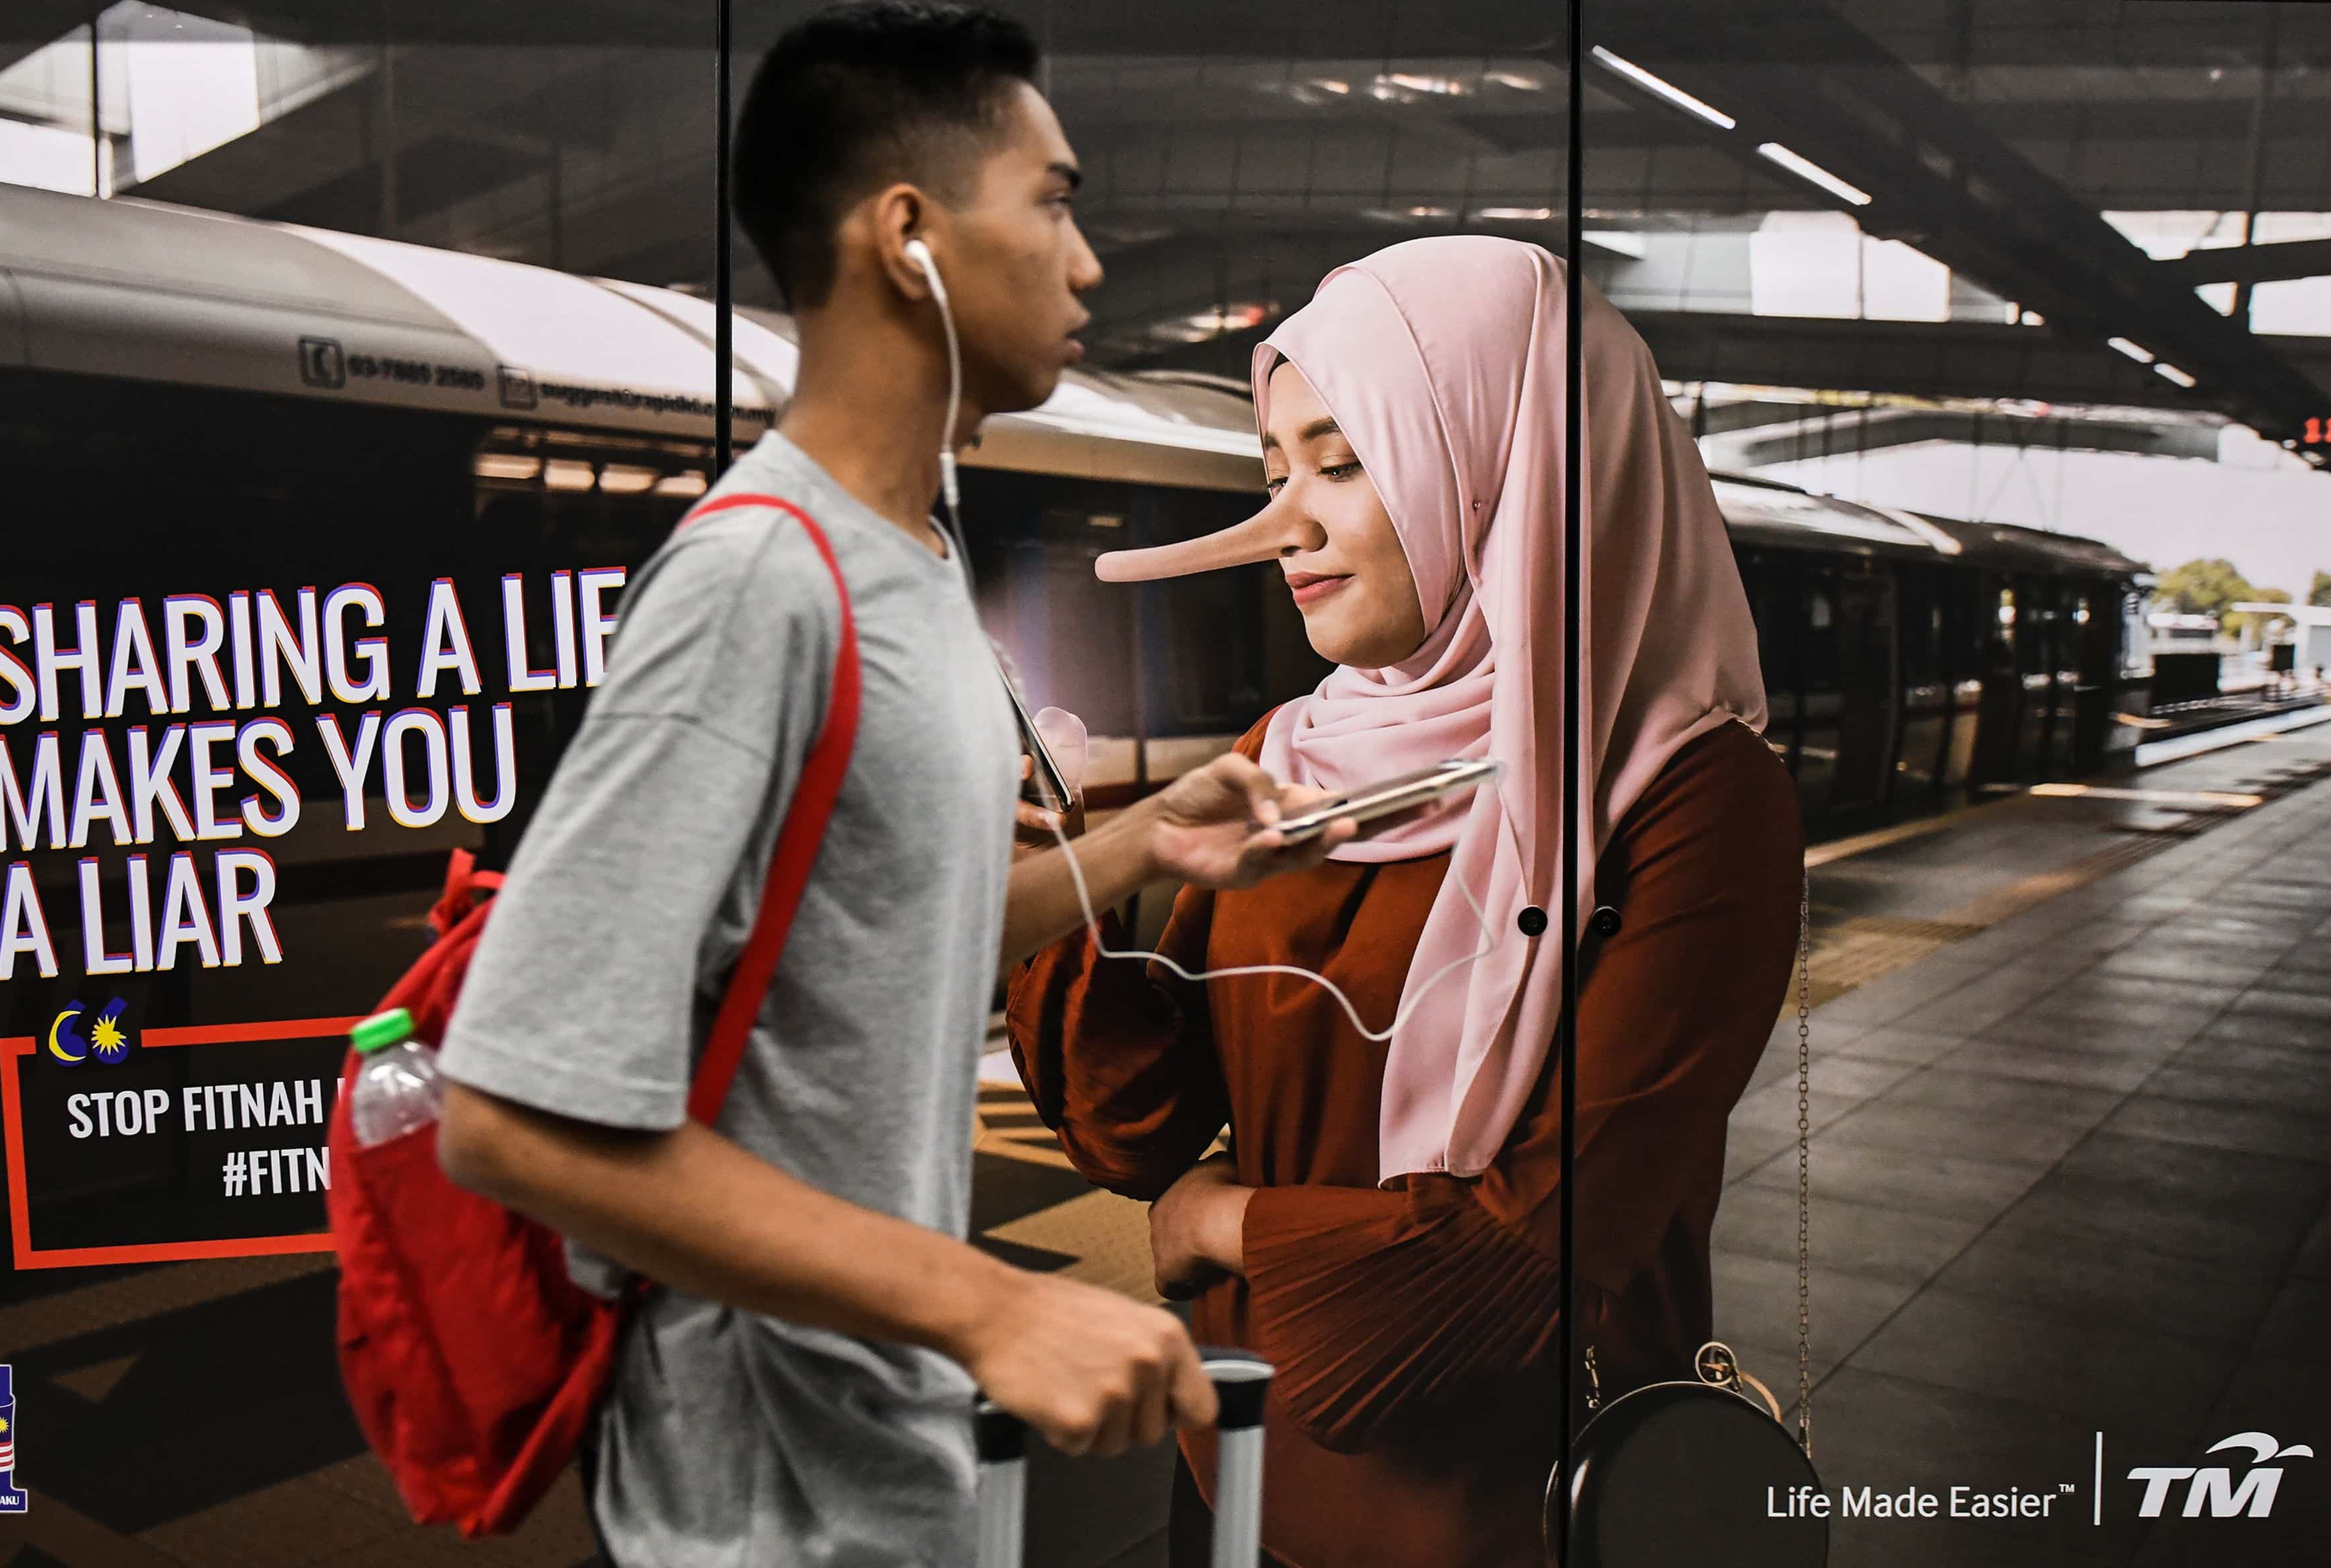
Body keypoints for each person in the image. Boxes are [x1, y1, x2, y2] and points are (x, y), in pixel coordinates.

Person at [431, 7, 1355, 1565]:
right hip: (753, 1512)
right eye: (1052, 201)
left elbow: (885, 939)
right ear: (909, 238)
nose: (1089, 263)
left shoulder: (916, 564)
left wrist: (1136, 845)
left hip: (885, 1473)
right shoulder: (758, 582)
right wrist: (995, 1301)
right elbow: (511, 1110)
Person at [1008, 237, 1806, 1568]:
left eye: (1342, 458)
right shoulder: (1288, 752)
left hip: (1510, 1510)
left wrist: (1223, 1221)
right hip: (1237, 1471)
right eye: (1271, 477)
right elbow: (1135, 1122)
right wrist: (1056, 859)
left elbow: (1538, 1248)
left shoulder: (1692, 796)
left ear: (1507, 459)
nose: (1289, 530)